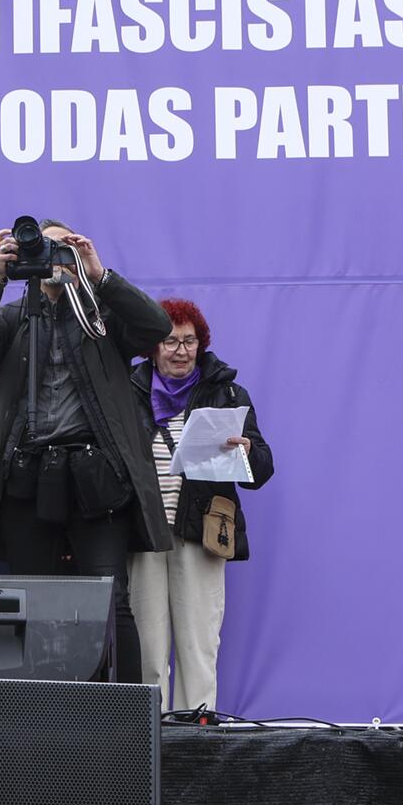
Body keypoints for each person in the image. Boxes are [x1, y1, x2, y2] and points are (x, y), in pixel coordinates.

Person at [0, 220, 172, 683]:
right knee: (32, 603)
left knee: (112, 602)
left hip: (97, 480)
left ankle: (127, 714)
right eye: (43, 247)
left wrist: (99, 275)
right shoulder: (15, 316)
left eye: (61, 247)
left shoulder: (101, 317)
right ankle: (38, 712)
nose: (51, 257)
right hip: (28, 478)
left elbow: (156, 327)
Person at [128, 299, 275, 715]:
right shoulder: (128, 391)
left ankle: (198, 732)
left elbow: (262, 469)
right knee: (147, 646)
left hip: (201, 534)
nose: (181, 351)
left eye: (189, 341)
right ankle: (151, 728)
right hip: (143, 533)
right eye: (170, 341)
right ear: (153, 348)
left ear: (201, 343)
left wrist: (246, 451)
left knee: (199, 642)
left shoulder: (226, 393)